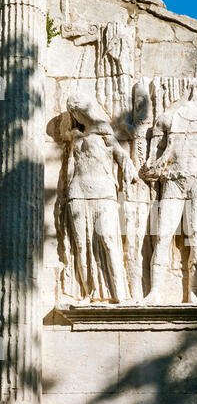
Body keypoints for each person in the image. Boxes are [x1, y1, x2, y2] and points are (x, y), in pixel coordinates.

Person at [141, 84, 197, 304]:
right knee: (162, 235)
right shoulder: (167, 119)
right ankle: (155, 292)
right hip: (173, 180)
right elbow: (154, 156)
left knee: (196, 236)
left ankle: (193, 292)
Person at [65, 94, 138, 303]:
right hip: (77, 191)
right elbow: (71, 167)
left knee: (107, 238)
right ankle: (90, 292)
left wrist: (129, 170)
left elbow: (121, 154)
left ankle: (120, 293)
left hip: (103, 190)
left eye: (79, 107)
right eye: (74, 110)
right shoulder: (76, 137)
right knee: (82, 245)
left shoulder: (103, 129)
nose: (78, 113)